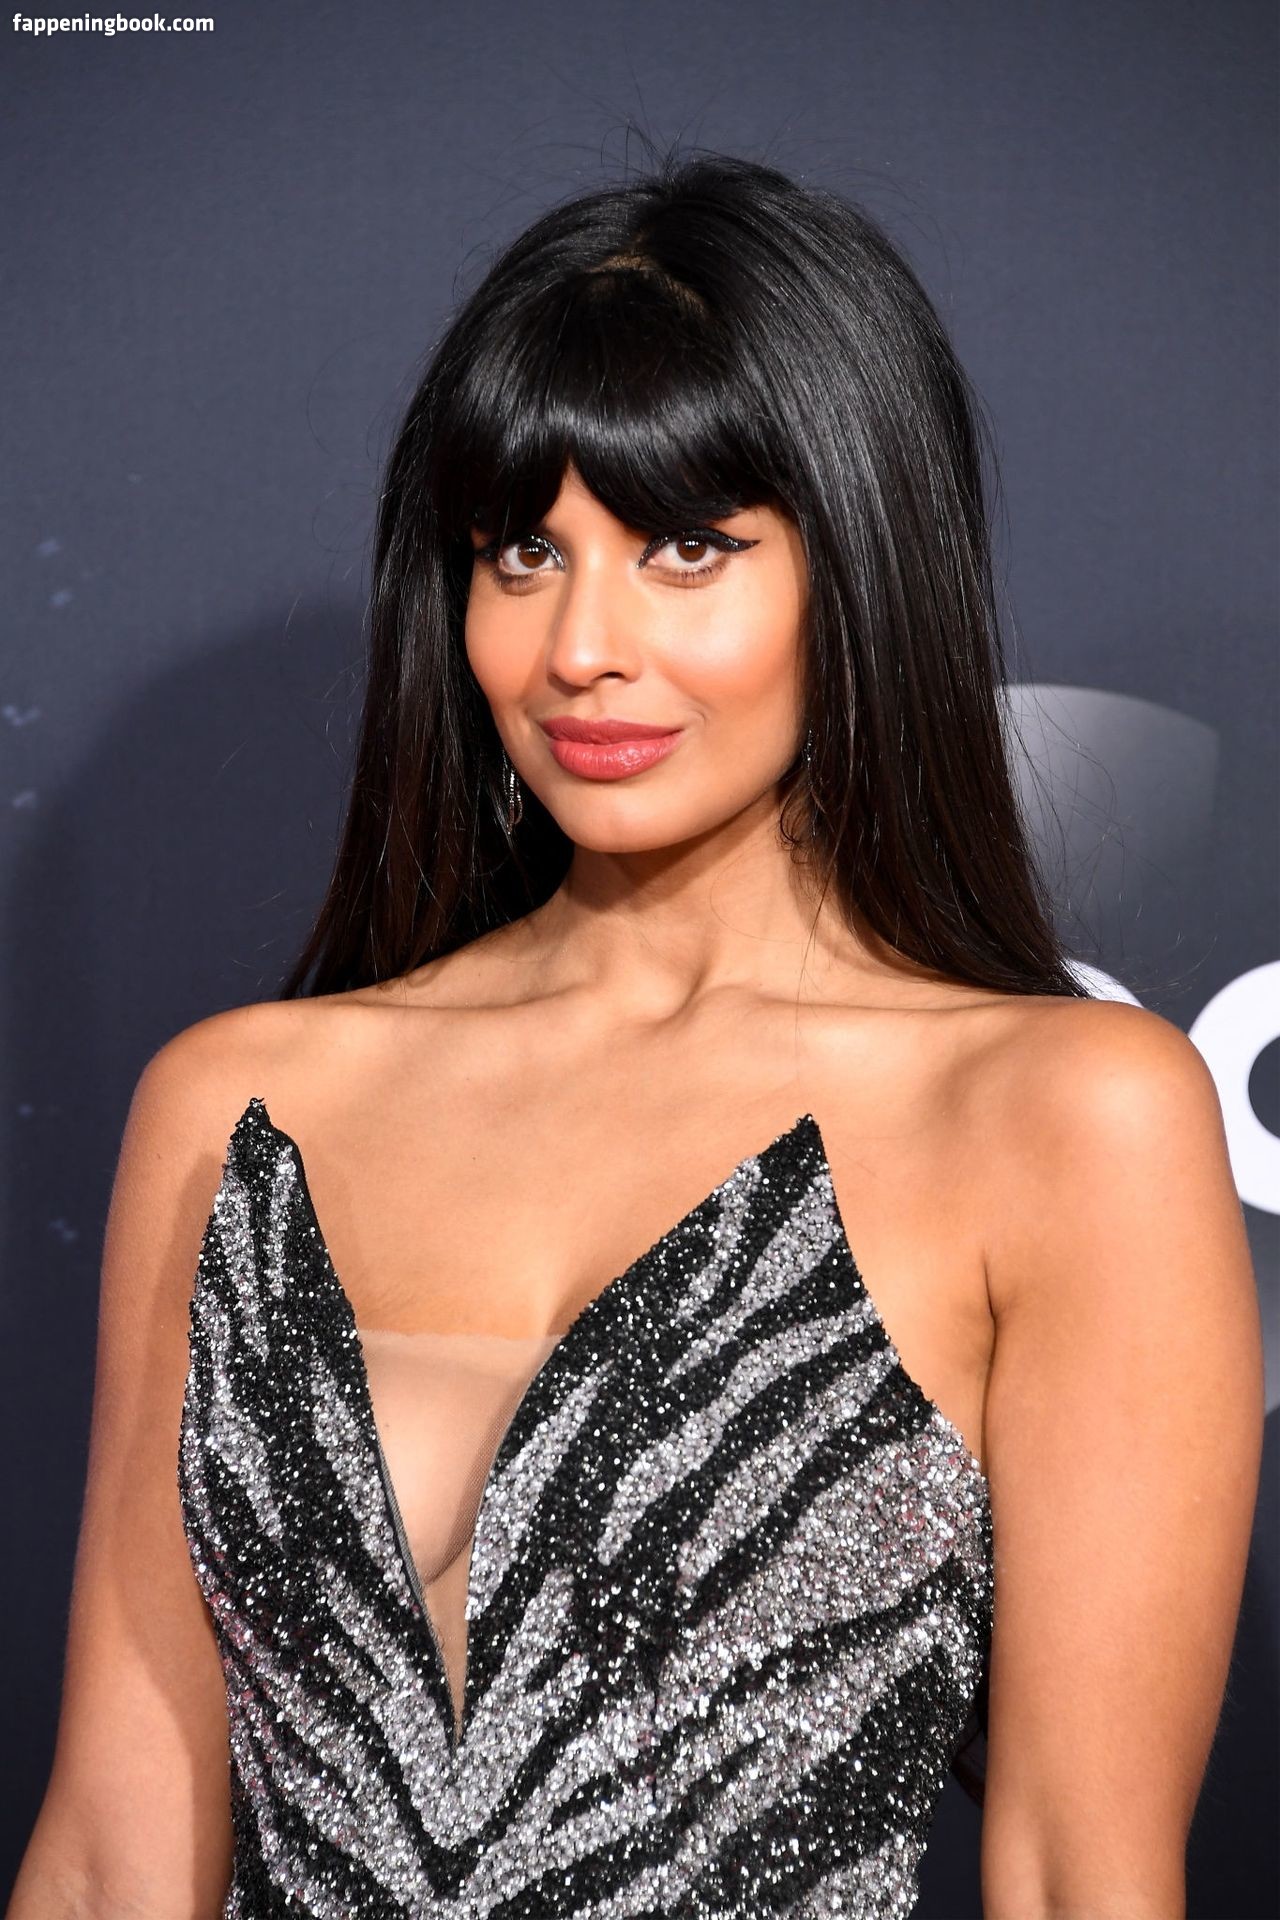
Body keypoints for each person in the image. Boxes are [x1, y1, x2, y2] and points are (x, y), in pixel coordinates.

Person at [9, 150, 1262, 1920]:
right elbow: (107, 1852)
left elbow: (1080, 1875)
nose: (579, 647)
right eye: (525, 552)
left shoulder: (1063, 1111)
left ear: (859, 567)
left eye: (687, 548)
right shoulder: (239, 1102)